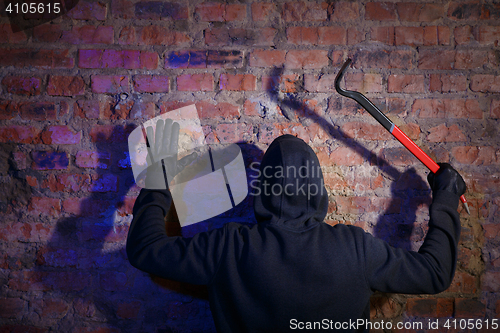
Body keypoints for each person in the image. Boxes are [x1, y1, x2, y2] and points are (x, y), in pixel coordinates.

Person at [126, 125, 466, 332]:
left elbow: (145, 249)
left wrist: (158, 176)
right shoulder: (355, 249)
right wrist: (445, 199)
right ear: (317, 185)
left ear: (263, 187)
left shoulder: (229, 247)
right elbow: (434, 272)